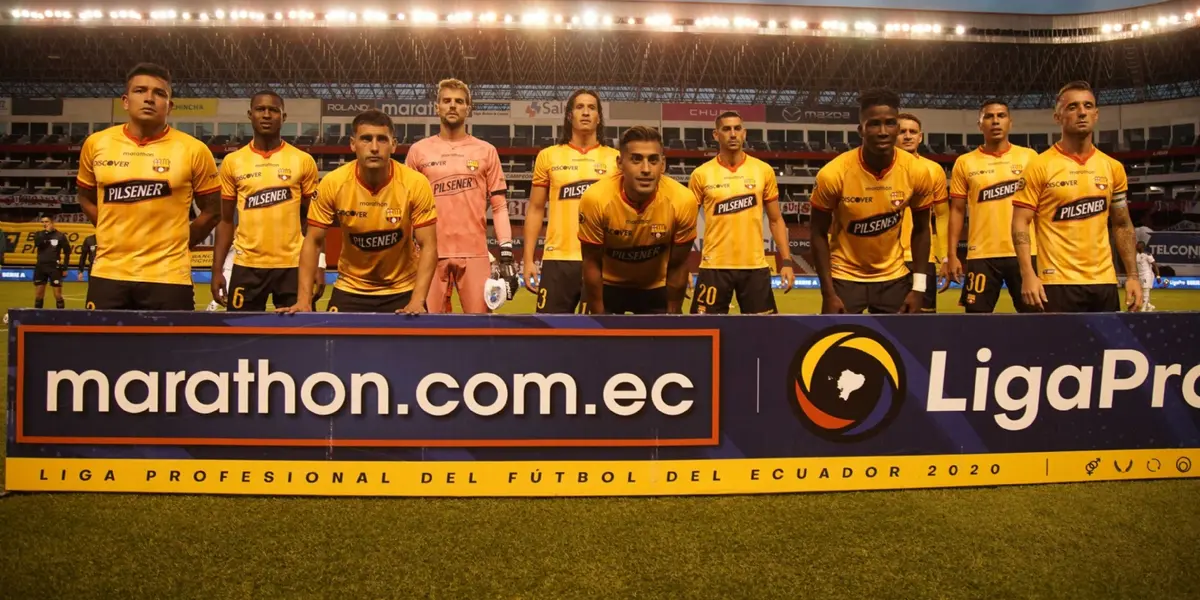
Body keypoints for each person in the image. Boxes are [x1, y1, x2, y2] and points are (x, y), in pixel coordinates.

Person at [75, 62, 221, 310]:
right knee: (102, 338)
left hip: (169, 276)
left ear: (170, 106)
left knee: (171, 339)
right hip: (108, 273)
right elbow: (85, 197)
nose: (149, 98)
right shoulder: (96, 144)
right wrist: (109, 230)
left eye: (159, 93)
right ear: (125, 101)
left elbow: (213, 211)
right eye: (140, 90)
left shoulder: (194, 150)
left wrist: (181, 243)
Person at [280, 110, 437, 314]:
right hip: (350, 288)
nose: (374, 147)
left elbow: (429, 245)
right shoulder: (333, 183)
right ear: (353, 144)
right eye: (366, 139)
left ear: (394, 145)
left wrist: (417, 300)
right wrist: (304, 300)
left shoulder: (415, 183)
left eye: (382, 139)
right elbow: (313, 241)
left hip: (402, 288)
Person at [1012, 80, 1142, 313]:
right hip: (1056, 283)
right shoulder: (1039, 166)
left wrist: (1133, 275)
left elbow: (1122, 224)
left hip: (1104, 282)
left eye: (1088, 106)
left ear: (1096, 114)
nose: (1082, 112)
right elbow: (1020, 222)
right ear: (1057, 117)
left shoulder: (1113, 168)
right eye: (1072, 107)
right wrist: (1028, 273)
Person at [810, 88, 938, 314]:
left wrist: (918, 289)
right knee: (839, 337)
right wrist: (828, 293)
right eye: (874, 124)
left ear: (897, 127)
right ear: (861, 130)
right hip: (845, 277)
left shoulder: (917, 171)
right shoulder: (833, 174)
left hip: (893, 277)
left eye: (890, 123)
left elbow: (921, 229)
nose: (883, 132)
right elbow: (817, 233)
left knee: (902, 338)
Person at [405, 78, 515, 313]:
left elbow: (499, 207)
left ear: (468, 108)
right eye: (446, 101)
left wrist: (506, 253)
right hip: (429, 253)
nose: (453, 105)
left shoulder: (486, 151)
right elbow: (407, 206)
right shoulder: (418, 151)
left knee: (480, 327)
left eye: (459, 101)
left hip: (475, 253)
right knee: (427, 326)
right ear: (437, 107)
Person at [211, 91, 320, 311]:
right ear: (250, 115)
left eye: (273, 110)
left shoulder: (303, 161)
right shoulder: (233, 162)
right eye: (260, 109)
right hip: (247, 266)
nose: (267, 115)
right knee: (241, 331)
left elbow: (316, 221)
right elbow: (225, 221)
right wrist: (217, 270)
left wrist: (320, 266)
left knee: (299, 331)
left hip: (294, 265)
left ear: (284, 116)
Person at [578, 126, 698, 314]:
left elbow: (678, 265)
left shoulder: (683, 200)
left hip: (655, 287)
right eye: (636, 159)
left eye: (653, 160)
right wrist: (600, 319)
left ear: (663, 164)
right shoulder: (595, 199)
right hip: (607, 285)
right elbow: (591, 262)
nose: (646, 169)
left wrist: (672, 317)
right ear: (620, 163)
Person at [524, 88, 620, 313]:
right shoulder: (548, 156)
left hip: (601, 260)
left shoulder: (616, 159)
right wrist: (528, 260)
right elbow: (536, 209)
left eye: (591, 108)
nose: (585, 112)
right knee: (549, 330)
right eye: (579, 107)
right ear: (569, 115)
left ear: (599, 117)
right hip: (557, 259)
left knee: (597, 331)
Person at [688, 110, 793, 314]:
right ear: (716, 135)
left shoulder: (763, 170)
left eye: (737, 128)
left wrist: (787, 261)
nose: (733, 134)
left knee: (763, 330)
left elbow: (776, 220)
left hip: (754, 266)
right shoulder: (700, 174)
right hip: (714, 266)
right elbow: (687, 223)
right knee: (704, 329)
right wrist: (682, 266)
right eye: (726, 129)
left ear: (744, 133)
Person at [946, 99, 1041, 313]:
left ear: (1010, 122)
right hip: (981, 256)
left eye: (1001, 116)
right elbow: (957, 210)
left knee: (1036, 320)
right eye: (989, 116)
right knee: (976, 321)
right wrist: (951, 255)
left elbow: (1042, 209)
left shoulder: (1030, 158)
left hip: (1025, 253)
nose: (995, 121)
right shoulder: (965, 162)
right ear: (980, 124)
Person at [895, 113, 950, 313]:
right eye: (902, 131)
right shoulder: (881, 169)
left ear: (920, 137)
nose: (907, 136)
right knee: (888, 320)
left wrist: (945, 257)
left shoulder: (933, 170)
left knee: (924, 321)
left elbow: (942, 216)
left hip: (923, 259)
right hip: (888, 261)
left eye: (913, 132)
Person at [32, 215, 70, 309]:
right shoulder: (39, 234)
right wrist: (46, 233)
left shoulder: (60, 236)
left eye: (47, 222)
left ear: (52, 222)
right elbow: (37, 243)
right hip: (41, 267)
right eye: (43, 222)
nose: (45, 224)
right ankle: (37, 315)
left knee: (58, 295)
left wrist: (65, 267)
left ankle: (61, 315)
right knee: (39, 295)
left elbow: (67, 252)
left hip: (54, 268)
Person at [1135, 240, 1160, 312]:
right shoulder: (1137, 255)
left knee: (1146, 291)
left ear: (1142, 247)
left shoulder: (1147, 255)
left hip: (1147, 274)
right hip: (1140, 275)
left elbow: (1155, 265)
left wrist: (1158, 276)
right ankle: (1149, 306)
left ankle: (1143, 309)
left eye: (1138, 245)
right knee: (1141, 292)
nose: (1136, 246)